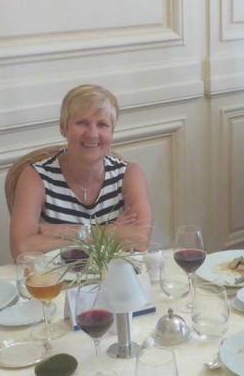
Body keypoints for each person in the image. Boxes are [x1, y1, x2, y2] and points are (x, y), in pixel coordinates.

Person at [9, 84, 152, 257]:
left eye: (102, 124)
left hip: (114, 273)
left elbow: (140, 240)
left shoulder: (129, 174)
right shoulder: (36, 176)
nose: (92, 134)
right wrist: (111, 232)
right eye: (82, 123)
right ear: (63, 127)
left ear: (112, 132)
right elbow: (22, 248)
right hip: (55, 275)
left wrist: (63, 231)